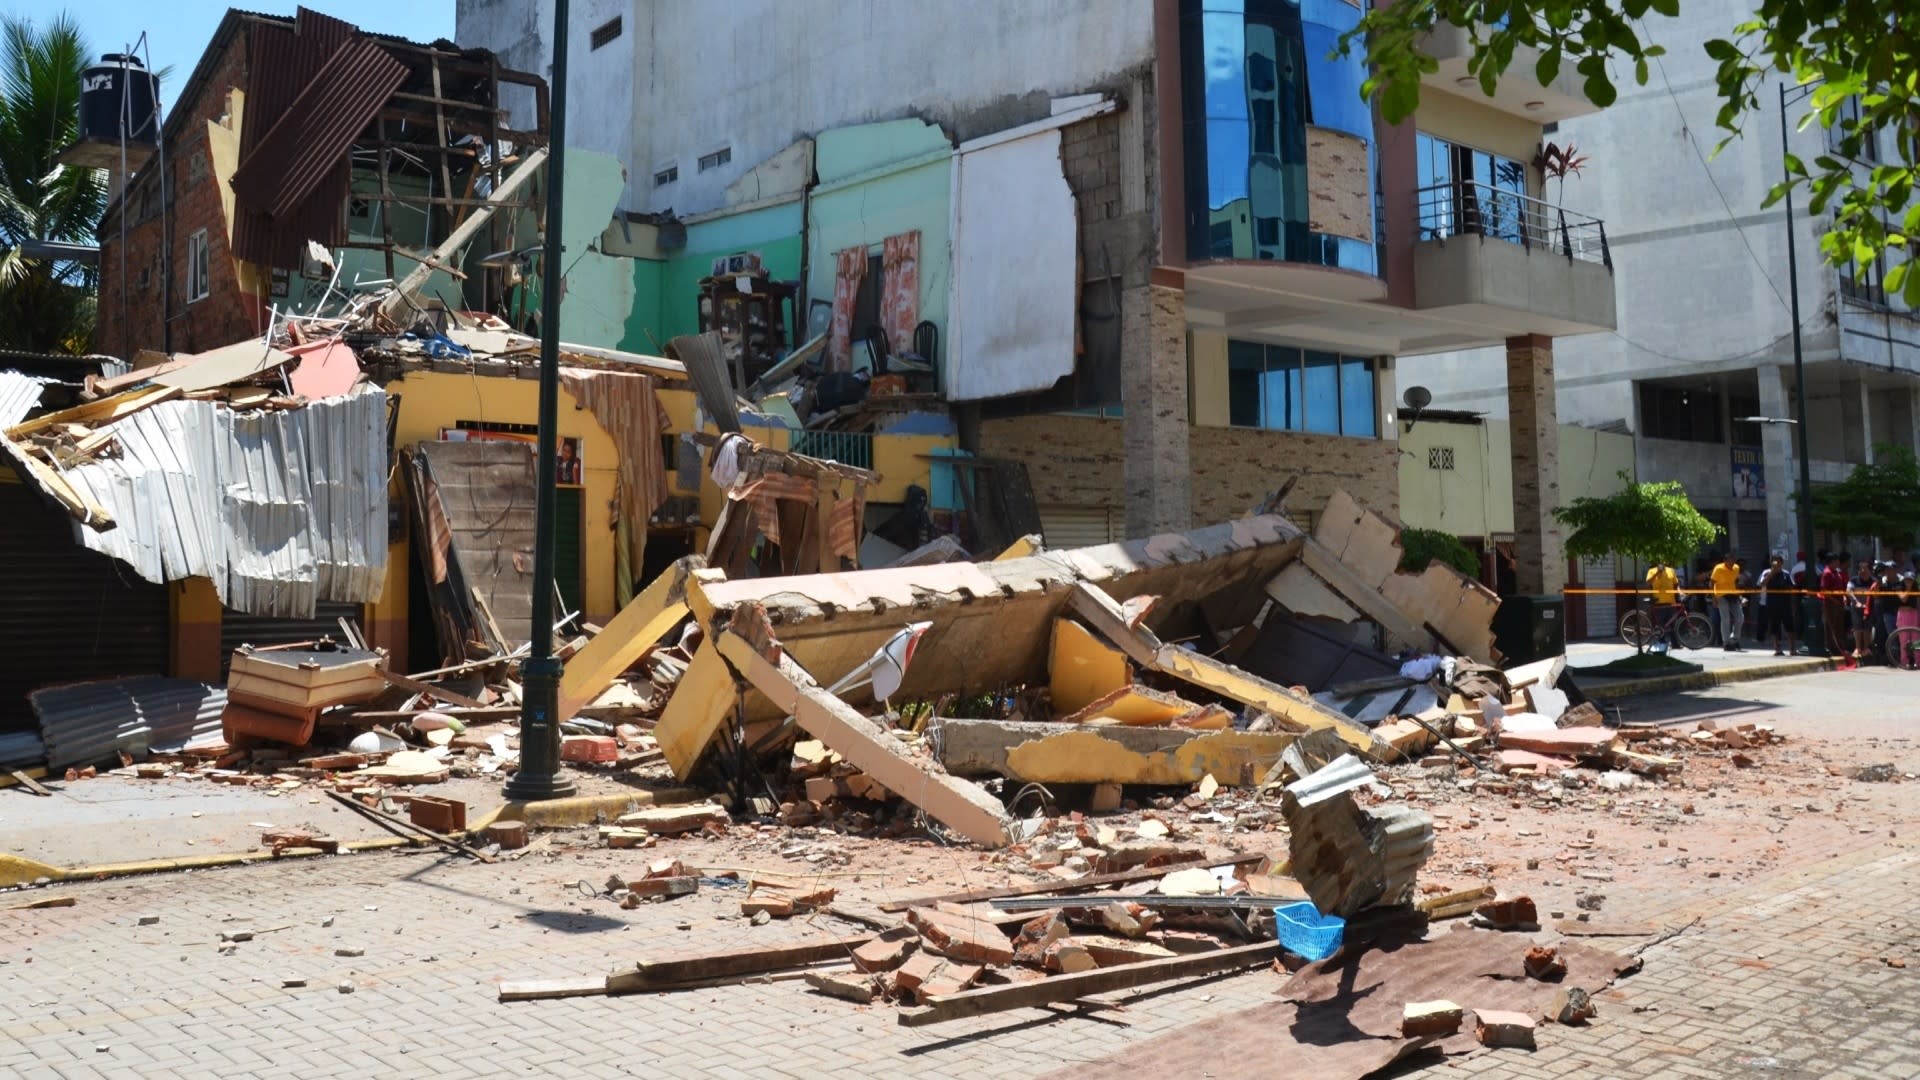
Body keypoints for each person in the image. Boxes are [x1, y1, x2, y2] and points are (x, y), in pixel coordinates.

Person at [1756, 555, 1797, 657]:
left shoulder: (1786, 574)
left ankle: (1792, 649)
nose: (1776, 564)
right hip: (1772, 604)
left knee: (1790, 627)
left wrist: (1793, 605)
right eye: (1774, 562)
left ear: (1781, 563)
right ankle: (1777, 648)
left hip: (1785, 604)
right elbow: (1762, 584)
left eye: (1778, 562)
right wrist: (1771, 573)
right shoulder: (1766, 573)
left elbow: (1792, 589)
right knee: (1774, 627)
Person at [1709, 552, 1744, 650]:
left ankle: (1735, 639)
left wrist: (1739, 595)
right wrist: (1714, 597)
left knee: (1740, 618)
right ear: (1725, 561)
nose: (1732, 563)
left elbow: (1735, 581)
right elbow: (1711, 583)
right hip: (1721, 595)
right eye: (1730, 561)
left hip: (1733, 595)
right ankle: (1726, 642)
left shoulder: (1736, 568)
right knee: (1725, 619)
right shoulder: (1718, 568)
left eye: (1733, 560)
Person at [1821, 552, 1852, 656]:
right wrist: (1836, 601)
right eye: (1836, 561)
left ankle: (1840, 648)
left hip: (1839, 604)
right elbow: (1825, 591)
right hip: (1831, 605)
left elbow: (1842, 588)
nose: (1838, 563)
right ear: (1831, 562)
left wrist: (1843, 598)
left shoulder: (1837, 572)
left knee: (1840, 627)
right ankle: (1831, 648)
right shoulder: (1827, 573)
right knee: (1831, 627)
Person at [1645, 560, 1680, 650]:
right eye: (1660, 562)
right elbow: (1648, 582)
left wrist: (1679, 594)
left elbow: (1676, 584)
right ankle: (1662, 642)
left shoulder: (1671, 570)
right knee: (1660, 624)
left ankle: (1675, 643)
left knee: (1672, 623)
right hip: (1658, 602)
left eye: (1663, 561)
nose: (1662, 563)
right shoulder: (1652, 571)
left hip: (1670, 601)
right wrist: (1657, 573)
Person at [1899, 592, 1920, 671]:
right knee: (1903, 641)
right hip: (1903, 614)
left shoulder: (1915, 589)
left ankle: (1918, 662)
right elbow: (1902, 599)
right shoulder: (1900, 587)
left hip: (1915, 613)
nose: (1909, 582)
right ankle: (1904, 662)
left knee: (1916, 641)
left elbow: (1918, 602)